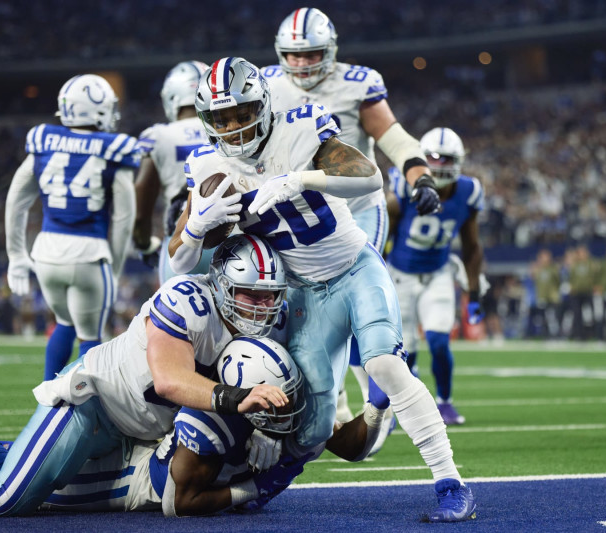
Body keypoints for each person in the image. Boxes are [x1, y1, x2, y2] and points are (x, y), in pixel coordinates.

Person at [168, 57, 475, 522]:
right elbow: (178, 263)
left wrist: (301, 179)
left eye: (242, 112)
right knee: (312, 434)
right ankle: (374, 415)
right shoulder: (207, 165)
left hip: (354, 269)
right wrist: (195, 228)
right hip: (304, 296)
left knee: (385, 364)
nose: (232, 127)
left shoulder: (301, 127)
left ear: (264, 105)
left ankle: (452, 485)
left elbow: (369, 176)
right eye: (221, 118)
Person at [0, 235, 292, 516]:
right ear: (222, 284)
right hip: (94, 405)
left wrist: (268, 430)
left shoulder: (277, 323)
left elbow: (284, 387)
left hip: (142, 430)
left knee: (8, 465)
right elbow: (170, 380)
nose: (263, 307)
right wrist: (238, 399)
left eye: (271, 296)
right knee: (5, 497)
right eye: (251, 295)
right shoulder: (188, 300)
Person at [0, 336, 388, 516]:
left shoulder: (277, 405)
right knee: (14, 486)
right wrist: (253, 489)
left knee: (11, 461)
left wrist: (378, 406)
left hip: (145, 443)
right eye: (270, 405)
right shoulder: (210, 422)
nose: (286, 412)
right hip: (136, 481)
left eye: (287, 398)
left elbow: (344, 441)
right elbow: (184, 501)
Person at [262, 7, 438, 429]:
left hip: (357, 208)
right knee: (299, 309)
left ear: (331, 50)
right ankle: (336, 403)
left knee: (354, 296)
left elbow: (390, 135)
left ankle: (380, 396)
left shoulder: (356, 82)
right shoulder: (265, 83)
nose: (302, 64)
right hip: (298, 212)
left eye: (311, 54)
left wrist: (419, 174)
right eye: (294, 55)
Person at [5, 74, 141, 380]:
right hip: (89, 253)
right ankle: (84, 415)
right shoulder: (114, 148)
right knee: (90, 338)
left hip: (46, 253)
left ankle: (45, 405)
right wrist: (115, 267)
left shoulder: (44, 141)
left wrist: (16, 254)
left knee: (64, 323)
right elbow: (123, 218)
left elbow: (16, 200)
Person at [385, 127, 485, 426]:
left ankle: (445, 402)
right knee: (405, 352)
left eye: (447, 159)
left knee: (439, 342)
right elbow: (383, 234)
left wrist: (475, 292)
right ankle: (404, 406)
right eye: (433, 158)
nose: (440, 165)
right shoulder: (404, 186)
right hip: (400, 274)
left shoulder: (469, 192)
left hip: (438, 273)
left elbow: (472, 246)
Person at [132, 61, 212, 283]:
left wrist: (144, 243)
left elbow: (142, 190)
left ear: (172, 97)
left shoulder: (158, 135)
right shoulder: (227, 129)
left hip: (183, 240)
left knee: (179, 315)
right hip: (232, 240)